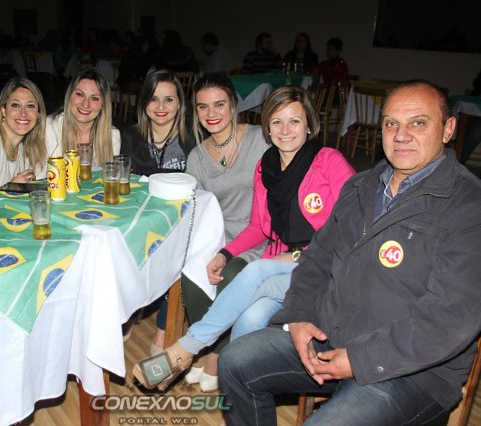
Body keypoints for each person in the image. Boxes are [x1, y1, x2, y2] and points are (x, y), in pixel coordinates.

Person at [218, 80, 481, 425]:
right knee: (235, 361)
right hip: (332, 337)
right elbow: (316, 261)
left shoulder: (469, 206)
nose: (401, 135)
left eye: (418, 123)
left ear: (448, 129)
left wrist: (360, 358)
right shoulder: (361, 186)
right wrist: (298, 317)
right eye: (391, 123)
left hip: (412, 371)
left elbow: (450, 319)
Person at [132, 86, 354, 392]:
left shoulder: (328, 161)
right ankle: (239, 388)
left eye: (294, 121)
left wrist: (300, 256)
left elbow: (354, 227)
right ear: (268, 128)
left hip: (325, 269)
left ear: (309, 125)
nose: (285, 130)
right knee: (250, 318)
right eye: (276, 122)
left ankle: (185, 350)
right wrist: (224, 254)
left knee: (256, 270)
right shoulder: (267, 166)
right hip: (281, 270)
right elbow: (258, 228)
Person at [131, 72, 269, 391]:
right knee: (192, 274)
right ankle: (207, 350)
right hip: (216, 237)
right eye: (203, 107)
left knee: (229, 276)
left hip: (256, 237)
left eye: (219, 104)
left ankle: (212, 357)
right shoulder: (197, 156)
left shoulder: (260, 140)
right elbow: (198, 210)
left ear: (233, 105)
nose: (211, 113)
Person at [120, 70, 196, 352]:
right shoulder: (132, 135)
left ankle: (163, 327)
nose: (161, 107)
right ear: (143, 103)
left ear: (180, 104)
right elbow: (124, 182)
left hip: (181, 221)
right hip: (142, 218)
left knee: (179, 253)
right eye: (153, 99)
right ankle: (131, 309)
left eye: (169, 99)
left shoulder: (192, 137)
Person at [46, 69, 120, 167]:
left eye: (94, 98)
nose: (85, 104)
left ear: (103, 105)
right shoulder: (49, 128)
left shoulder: (112, 135)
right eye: (80, 94)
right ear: (69, 96)